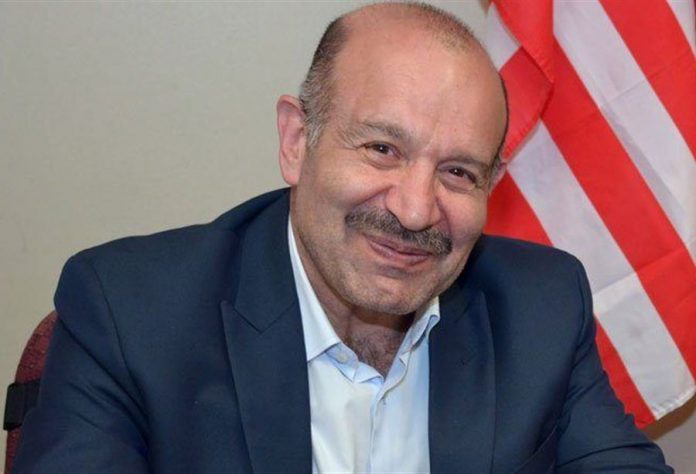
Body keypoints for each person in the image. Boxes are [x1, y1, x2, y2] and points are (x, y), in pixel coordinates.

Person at [13, 2, 671, 473]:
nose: (415, 210)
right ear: (297, 141)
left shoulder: (540, 305)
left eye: (458, 172)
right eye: (382, 148)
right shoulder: (131, 314)